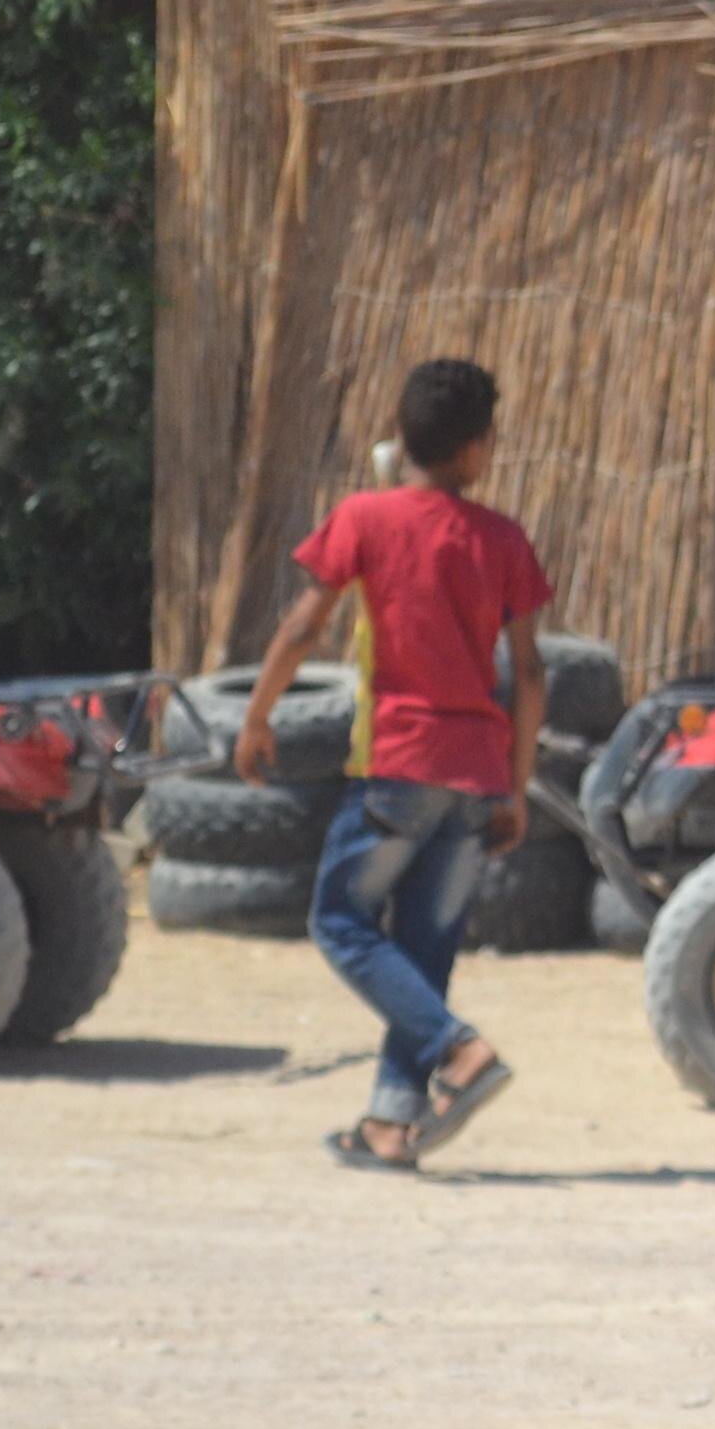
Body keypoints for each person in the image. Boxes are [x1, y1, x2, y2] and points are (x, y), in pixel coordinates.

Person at [237, 358, 543, 1167]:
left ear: (400, 435)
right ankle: (389, 1124)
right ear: (476, 449)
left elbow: (303, 627)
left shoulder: (365, 518)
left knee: (338, 921)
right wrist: (516, 789)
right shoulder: (503, 539)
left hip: (399, 763)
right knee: (423, 948)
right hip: (476, 775)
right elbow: (530, 674)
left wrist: (257, 718)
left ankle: (459, 1050)